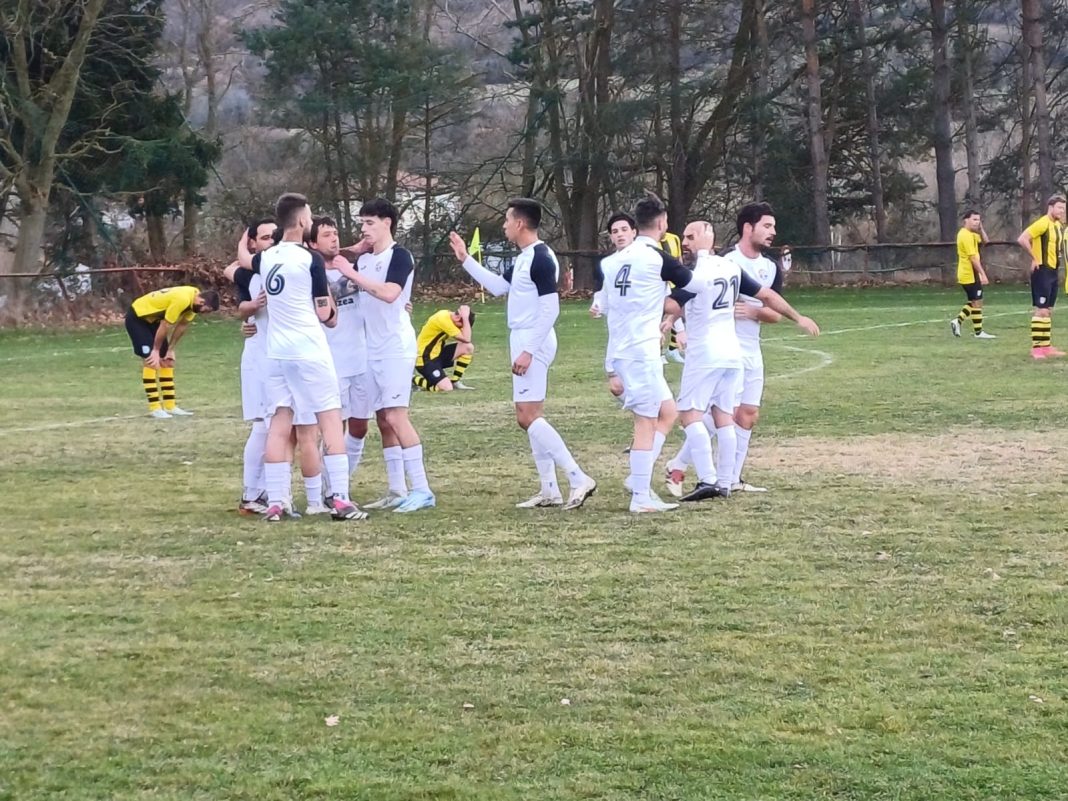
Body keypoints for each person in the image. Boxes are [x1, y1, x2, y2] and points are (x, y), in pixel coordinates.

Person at [449, 198, 597, 510]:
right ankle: (549, 490)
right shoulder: (523, 258)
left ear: (519, 223)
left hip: (534, 339)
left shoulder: (541, 257)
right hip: (525, 338)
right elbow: (499, 287)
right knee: (528, 417)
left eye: (506, 220)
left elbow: (551, 307)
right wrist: (465, 260)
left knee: (528, 416)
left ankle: (577, 477)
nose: (503, 225)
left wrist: (529, 350)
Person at [664, 224, 820, 501]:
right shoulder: (730, 267)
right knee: (724, 416)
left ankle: (706, 479)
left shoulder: (696, 272)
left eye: (690, 237)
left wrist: (641, 302)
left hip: (705, 352)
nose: (684, 243)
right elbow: (768, 296)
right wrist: (799, 317)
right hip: (732, 352)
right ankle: (726, 482)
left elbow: (674, 303)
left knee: (689, 413)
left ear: (704, 238)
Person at [256, 192, 365, 522]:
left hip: (276, 352)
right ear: (303, 221)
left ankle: (276, 502)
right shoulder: (310, 259)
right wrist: (332, 315)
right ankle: (341, 500)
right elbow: (324, 312)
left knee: (279, 424)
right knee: (330, 419)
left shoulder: (266, 257)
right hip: (309, 350)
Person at [332, 198, 435, 513]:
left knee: (395, 415)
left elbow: (390, 293)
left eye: (369, 223)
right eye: (362, 223)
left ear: (387, 222)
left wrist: (351, 269)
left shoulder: (399, 256)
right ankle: (397, 489)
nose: (364, 229)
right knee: (383, 419)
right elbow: (338, 284)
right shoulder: (364, 261)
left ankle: (423, 489)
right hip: (371, 349)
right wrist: (351, 257)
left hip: (395, 347)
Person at [597, 195, 692, 513]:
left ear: (636, 226)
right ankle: (640, 497)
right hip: (641, 351)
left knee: (668, 412)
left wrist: (610, 364)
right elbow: (690, 282)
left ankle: (638, 481)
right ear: (663, 223)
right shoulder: (657, 256)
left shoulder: (610, 264)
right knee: (645, 421)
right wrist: (673, 306)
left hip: (626, 349)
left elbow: (608, 310)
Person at [307, 216, 375, 494]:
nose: (333, 239)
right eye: (326, 235)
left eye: (335, 233)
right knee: (333, 428)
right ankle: (331, 489)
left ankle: (339, 482)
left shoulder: (352, 267)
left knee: (360, 427)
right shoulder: (311, 274)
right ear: (312, 243)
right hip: (331, 362)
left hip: (361, 357)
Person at [229, 218, 276, 514]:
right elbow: (241, 307)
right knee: (264, 425)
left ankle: (271, 492)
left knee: (284, 426)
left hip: (284, 357)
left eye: (275, 235)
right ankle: (252, 493)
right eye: (265, 237)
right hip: (260, 357)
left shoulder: (286, 266)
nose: (271, 240)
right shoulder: (250, 274)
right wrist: (251, 309)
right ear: (253, 243)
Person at [125, 285, 219, 418]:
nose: (205, 313)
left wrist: (170, 349)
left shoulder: (193, 302)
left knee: (167, 361)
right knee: (151, 360)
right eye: (206, 310)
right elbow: (166, 324)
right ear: (201, 301)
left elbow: (182, 325)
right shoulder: (182, 299)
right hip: (138, 318)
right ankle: (155, 408)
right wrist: (156, 350)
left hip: (153, 321)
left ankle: (170, 406)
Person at [1017, 194, 1067, 359]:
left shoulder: (1058, 226)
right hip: (1042, 271)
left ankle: (1046, 346)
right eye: (1059, 208)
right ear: (1050, 207)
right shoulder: (1042, 223)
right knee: (1041, 310)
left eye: (1063, 208)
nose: (1062, 211)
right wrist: (1034, 258)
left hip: (1053, 271)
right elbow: (1023, 238)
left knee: (1049, 310)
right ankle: (1036, 348)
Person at [950, 210, 994, 339]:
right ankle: (975, 330)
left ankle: (960, 322)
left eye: (978, 220)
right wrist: (983, 274)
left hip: (970, 273)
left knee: (975, 301)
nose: (977, 222)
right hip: (969, 273)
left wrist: (981, 228)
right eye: (974, 219)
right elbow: (973, 258)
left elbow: (986, 241)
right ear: (966, 220)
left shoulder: (972, 234)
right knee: (977, 301)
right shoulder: (965, 235)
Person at [413, 306, 476, 392]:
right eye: (460, 326)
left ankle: (455, 381)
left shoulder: (452, 318)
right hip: (425, 359)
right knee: (446, 388)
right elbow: (466, 338)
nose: (460, 329)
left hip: (437, 355)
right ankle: (413, 380)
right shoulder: (443, 318)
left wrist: (464, 318)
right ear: (458, 318)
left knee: (468, 347)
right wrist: (465, 317)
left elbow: (467, 341)